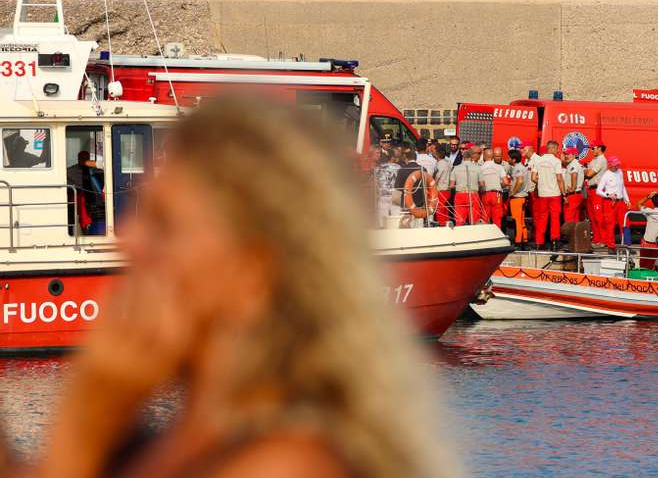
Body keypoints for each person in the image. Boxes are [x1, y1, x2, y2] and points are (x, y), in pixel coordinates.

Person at [15, 98, 456, 478]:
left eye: (165, 225)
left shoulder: (287, 462)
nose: (129, 240)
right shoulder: (174, 438)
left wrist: (89, 413)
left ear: (255, 267)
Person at [530, 141, 565, 250]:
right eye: (557, 149)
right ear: (553, 149)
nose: (558, 151)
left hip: (543, 194)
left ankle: (539, 243)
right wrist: (564, 193)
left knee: (542, 218)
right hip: (554, 194)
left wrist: (540, 183)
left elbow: (533, 177)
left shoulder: (539, 160)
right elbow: (559, 179)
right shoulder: (556, 161)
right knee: (555, 218)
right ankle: (554, 242)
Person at [595, 155, 629, 249]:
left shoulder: (620, 172)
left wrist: (627, 200)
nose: (617, 166)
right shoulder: (606, 175)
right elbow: (598, 191)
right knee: (610, 225)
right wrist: (608, 195)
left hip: (620, 202)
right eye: (615, 165)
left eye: (617, 165)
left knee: (625, 224)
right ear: (610, 165)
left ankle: (627, 245)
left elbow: (622, 187)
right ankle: (611, 246)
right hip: (609, 203)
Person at [450, 147, 484, 225]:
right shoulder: (478, 168)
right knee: (474, 219)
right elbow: (482, 184)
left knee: (459, 220)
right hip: (473, 194)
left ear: (463, 157)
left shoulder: (456, 168)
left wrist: (459, 185)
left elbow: (451, 185)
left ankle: (460, 235)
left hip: (460, 194)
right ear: (471, 157)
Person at [583, 141, 608, 237]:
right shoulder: (595, 160)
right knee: (592, 216)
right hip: (590, 189)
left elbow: (589, 173)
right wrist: (586, 171)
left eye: (593, 148)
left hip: (597, 190)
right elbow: (587, 171)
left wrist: (585, 171)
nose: (591, 150)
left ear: (600, 148)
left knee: (598, 216)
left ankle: (603, 238)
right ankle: (597, 238)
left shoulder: (601, 160)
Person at [507, 149, 530, 249]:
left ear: (514, 159)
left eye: (509, 157)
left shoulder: (518, 168)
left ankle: (518, 241)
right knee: (521, 221)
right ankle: (524, 240)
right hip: (523, 197)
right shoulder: (521, 167)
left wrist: (513, 192)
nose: (507, 159)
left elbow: (519, 181)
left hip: (517, 198)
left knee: (517, 221)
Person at [480, 148, 508, 228]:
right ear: (492, 156)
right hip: (496, 194)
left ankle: (485, 236)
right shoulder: (499, 167)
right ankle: (497, 236)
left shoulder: (480, 168)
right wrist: (499, 184)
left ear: (484, 157)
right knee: (497, 218)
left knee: (485, 217)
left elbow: (479, 184)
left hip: (485, 194)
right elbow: (506, 182)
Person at [374, 149, 400, 226]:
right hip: (395, 194)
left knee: (382, 220)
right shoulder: (398, 167)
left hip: (383, 194)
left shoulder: (378, 168)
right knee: (396, 219)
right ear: (392, 157)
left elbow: (376, 182)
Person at [562, 147, 585, 223]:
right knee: (575, 219)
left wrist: (572, 188)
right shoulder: (574, 164)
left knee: (569, 219)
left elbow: (574, 175)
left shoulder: (573, 165)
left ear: (574, 155)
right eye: (565, 154)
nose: (566, 156)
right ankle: (575, 235)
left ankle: (570, 235)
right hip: (576, 195)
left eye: (568, 154)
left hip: (572, 195)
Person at [433, 146, 453, 226]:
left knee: (440, 211)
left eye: (434, 152)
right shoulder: (448, 163)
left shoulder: (440, 164)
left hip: (441, 190)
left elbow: (437, 177)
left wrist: (432, 187)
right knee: (445, 211)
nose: (433, 153)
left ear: (437, 154)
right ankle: (447, 226)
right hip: (447, 190)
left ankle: (442, 226)